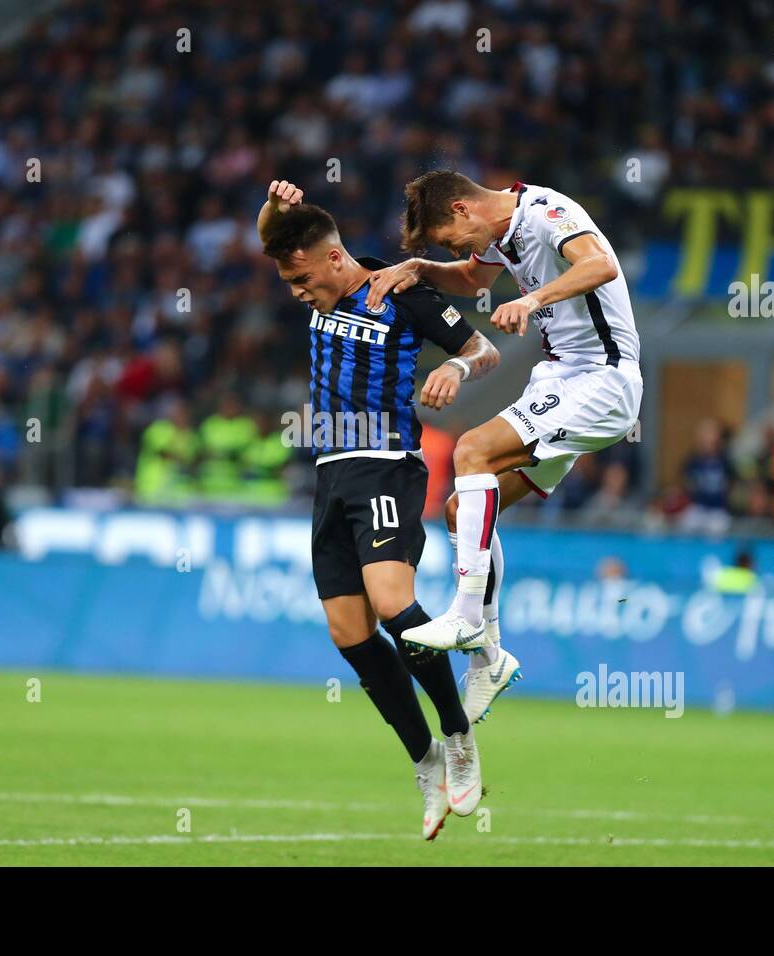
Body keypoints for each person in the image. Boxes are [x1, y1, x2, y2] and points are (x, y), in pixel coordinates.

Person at [258, 179, 500, 839]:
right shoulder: (308, 265)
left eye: (302, 278)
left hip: (388, 465)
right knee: (349, 634)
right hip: (330, 476)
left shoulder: (401, 294)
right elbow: (274, 235)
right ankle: (423, 759)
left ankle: (457, 734)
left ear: (335, 259)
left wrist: (457, 370)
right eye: (288, 280)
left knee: (395, 605)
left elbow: (485, 350)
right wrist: (278, 208)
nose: (296, 290)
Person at [366, 171, 643, 724]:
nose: (455, 249)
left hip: (602, 379)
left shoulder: (545, 211)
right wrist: (424, 269)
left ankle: (467, 613)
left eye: (448, 238)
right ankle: (489, 657)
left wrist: (534, 298)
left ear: (465, 209)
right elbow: (471, 280)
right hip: (560, 381)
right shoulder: (500, 233)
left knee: (472, 451)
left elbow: (600, 265)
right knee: (460, 506)